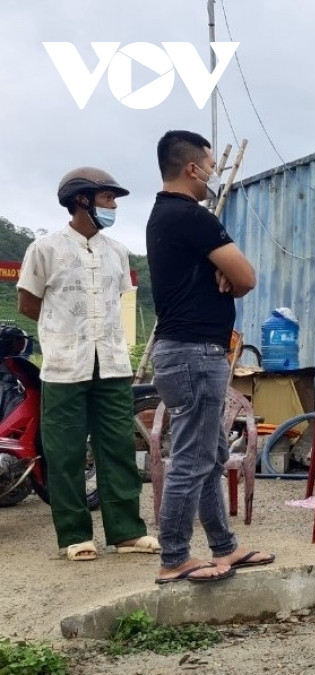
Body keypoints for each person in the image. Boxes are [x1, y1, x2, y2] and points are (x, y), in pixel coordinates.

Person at [146, 130, 272, 583]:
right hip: (194, 353)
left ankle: (224, 547)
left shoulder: (163, 216)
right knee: (192, 459)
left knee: (212, 453)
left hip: (187, 352)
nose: (213, 173)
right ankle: (174, 557)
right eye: (210, 165)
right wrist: (229, 273)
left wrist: (225, 274)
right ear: (192, 168)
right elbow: (247, 276)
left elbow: (235, 277)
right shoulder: (191, 216)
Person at [16, 167, 160, 562]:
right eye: (108, 198)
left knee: (117, 447)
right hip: (64, 366)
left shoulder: (116, 251)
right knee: (65, 453)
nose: (114, 205)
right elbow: (28, 303)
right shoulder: (44, 249)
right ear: (83, 199)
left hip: (111, 365)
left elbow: (121, 304)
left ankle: (127, 532)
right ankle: (75, 536)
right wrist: (63, 329)